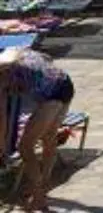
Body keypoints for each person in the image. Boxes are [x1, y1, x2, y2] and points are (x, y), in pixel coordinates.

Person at [0, 48, 75, 211]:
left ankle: (39, 197)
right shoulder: (13, 51)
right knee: (49, 138)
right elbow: (47, 58)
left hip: (52, 95)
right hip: (65, 83)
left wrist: (2, 149)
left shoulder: (2, 70)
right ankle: (43, 186)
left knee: (25, 147)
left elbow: (3, 118)